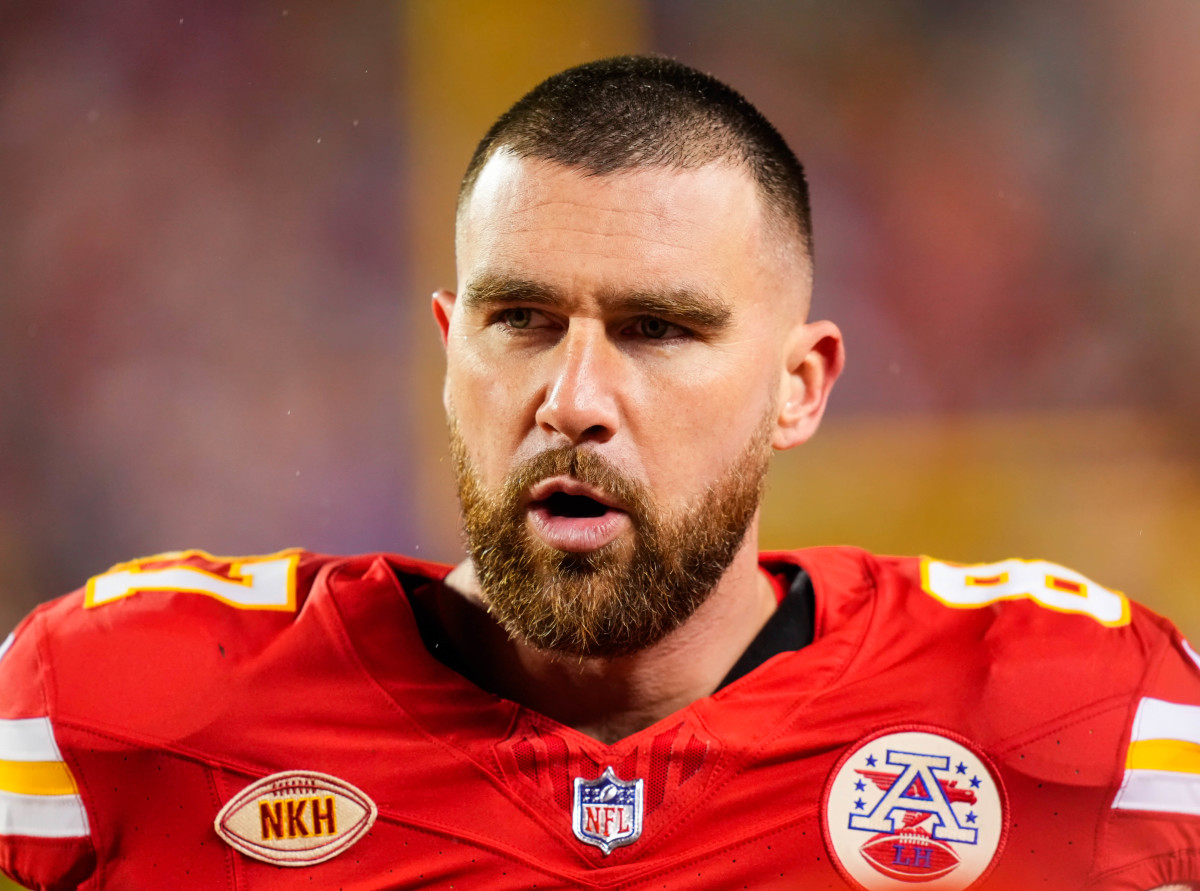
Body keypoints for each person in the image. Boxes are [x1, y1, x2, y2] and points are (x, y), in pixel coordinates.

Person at [1, 55, 1197, 891]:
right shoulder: (124, 706)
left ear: (802, 386)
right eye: (520, 320)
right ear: (447, 351)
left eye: (659, 330)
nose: (573, 400)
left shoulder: (1076, 713)